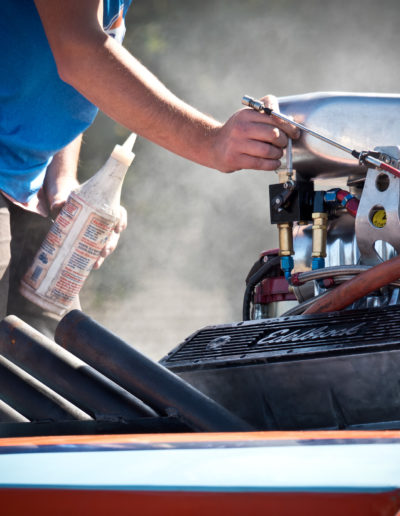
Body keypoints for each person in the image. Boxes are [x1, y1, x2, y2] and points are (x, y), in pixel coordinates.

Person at [0, 0, 299, 336]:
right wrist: (212, 142)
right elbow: (78, 51)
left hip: (26, 187)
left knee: (53, 363)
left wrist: (62, 179)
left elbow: (76, 78)